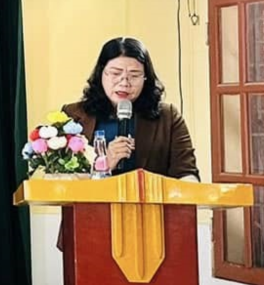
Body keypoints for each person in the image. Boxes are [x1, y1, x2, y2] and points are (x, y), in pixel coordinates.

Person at [63, 37, 199, 179]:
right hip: (93, 194)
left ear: (145, 78)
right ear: (101, 73)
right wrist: (104, 164)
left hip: (149, 193)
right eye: (116, 73)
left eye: (134, 75)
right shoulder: (73, 116)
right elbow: (60, 178)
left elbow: (187, 173)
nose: (124, 83)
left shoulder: (168, 117)